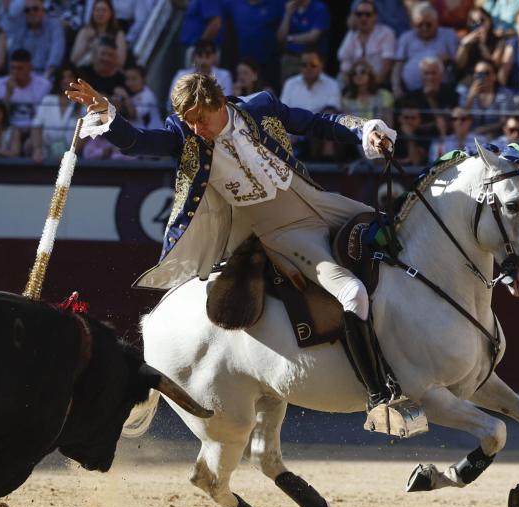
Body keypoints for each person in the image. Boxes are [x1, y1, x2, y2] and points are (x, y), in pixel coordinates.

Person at [65, 73, 409, 417]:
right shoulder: (184, 135)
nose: (196, 128)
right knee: (353, 293)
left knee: (400, 236)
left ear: (218, 104)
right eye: (190, 121)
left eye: (200, 118)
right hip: (283, 231)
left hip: (322, 202)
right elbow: (138, 142)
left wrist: (366, 130)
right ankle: (380, 396)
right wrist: (108, 114)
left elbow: (317, 123)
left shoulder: (261, 107)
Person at [392, 2, 459, 98]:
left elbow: (459, 64)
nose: (424, 28)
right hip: (412, 93)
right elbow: (397, 66)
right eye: (420, 25)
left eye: (428, 24)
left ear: (436, 22)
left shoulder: (449, 35)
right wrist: (396, 87)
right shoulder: (406, 38)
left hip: (443, 93)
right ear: (413, 24)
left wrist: (448, 59)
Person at [0, 47, 51, 135]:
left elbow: (42, 115)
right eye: (13, 68)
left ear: (30, 68)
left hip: (33, 131)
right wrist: (8, 93)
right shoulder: (1, 84)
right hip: (8, 131)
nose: (15, 72)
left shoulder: (44, 85)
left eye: (20, 68)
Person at [223, 0, 284, 88]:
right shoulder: (232, 4)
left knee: (268, 94)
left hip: (268, 64)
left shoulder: (277, 4)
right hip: (241, 61)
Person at [337, 0, 396, 85]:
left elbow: (387, 64)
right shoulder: (351, 35)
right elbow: (344, 62)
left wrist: (372, 87)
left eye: (368, 14)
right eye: (359, 14)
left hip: (378, 84)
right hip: (354, 84)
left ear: (375, 16)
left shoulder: (386, 33)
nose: (363, 18)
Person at [29, 63, 80, 160]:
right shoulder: (48, 100)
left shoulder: (82, 103)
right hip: (45, 153)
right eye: (63, 77)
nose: (66, 80)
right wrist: (37, 149)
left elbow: (84, 135)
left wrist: (70, 153)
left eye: (70, 77)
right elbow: (36, 126)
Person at [5, 0, 64, 76]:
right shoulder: (20, 29)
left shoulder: (54, 26)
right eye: (27, 10)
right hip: (23, 77)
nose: (31, 12)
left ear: (43, 11)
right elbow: (14, 56)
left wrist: (46, 77)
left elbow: (56, 54)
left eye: (35, 9)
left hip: (48, 75)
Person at [276, 0, 330, 81]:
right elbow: (281, 37)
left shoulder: (319, 8)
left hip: (312, 60)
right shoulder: (290, 7)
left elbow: (313, 37)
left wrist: (290, 39)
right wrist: (288, 14)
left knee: (313, 89)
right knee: (290, 90)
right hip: (290, 59)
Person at [167, 40, 232, 106]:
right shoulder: (181, 74)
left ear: (214, 57)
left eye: (207, 54)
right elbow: (172, 99)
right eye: (200, 54)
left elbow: (225, 102)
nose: (203, 60)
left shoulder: (225, 75)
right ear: (193, 57)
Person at [280, 50, 340, 117]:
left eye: (313, 64)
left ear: (321, 65)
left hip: (322, 125)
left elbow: (332, 111)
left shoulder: (332, 84)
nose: (308, 68)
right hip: (294, 125)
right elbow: (283, 112)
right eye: (304, 65)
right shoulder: (290, 84)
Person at [462, 58, 514, 136]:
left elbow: (504, 121)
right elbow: (461, 118)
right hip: (470, 137)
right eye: (479, 74)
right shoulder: (466, 93)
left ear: (494, 76)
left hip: (498, 138)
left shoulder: (505, 94)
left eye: (487, 73)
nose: (483, 77)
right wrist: (471, 98)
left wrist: (484, 130)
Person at [70, 0, 125, 67]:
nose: (100, 13)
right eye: (97, 10)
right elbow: (74, 59)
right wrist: (87, 43)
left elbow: (121, 62)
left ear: (111, 13)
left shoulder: (118, 34)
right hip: (86, 71)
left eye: (104, 10)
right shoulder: (85, 31)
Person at [454, 6, 500, 86]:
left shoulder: (498, 40)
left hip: (489, 80)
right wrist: (464, 45)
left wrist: (481, 44)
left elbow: (495, 65)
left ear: (489, 20)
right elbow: (459, 66)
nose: (479, 24)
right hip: (469, 79)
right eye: (474, 22)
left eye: (482, 20)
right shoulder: (466, 39)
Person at [342, 58, 393, 124]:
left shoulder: (384, 95)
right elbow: (347, 126)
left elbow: (389, 123)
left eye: (362, 72)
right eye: (354, 73)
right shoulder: (346, 99)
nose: (358, 75)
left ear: (370, 75)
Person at [121, 64, 161, 130]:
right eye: (127, 79)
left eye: (134, 79)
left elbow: (134, 114)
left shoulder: (147, 95)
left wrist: (125, 97)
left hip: (152, 135)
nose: (129, 83)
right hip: (137, 135)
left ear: (143, 78)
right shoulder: (130, 93)